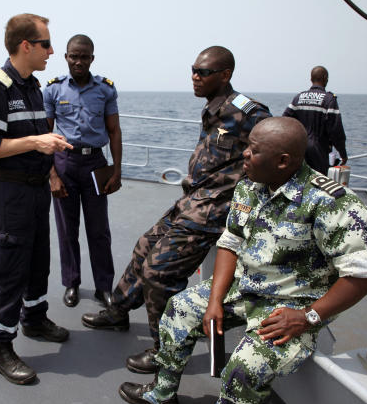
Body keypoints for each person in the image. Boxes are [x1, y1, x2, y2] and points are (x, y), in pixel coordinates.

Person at [118, 117, 367, 404]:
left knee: (244, 369)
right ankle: (162, 393)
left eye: (253, 151)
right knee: (179, 309)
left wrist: (307, 318)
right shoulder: (249, 187)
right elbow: (230, 243)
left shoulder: (331, 203)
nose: (244, 154)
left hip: (292, 306)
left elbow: (365, 274)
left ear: (282, 161)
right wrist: (215, 301)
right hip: (245, 288)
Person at [82, 46, 271, 375]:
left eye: (203, 72)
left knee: (159, 274)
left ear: (225, 75)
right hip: (193, 200)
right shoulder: (212, 108)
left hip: (215, 209)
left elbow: (278, 150)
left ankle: (163, 349)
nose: (195, 78)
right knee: (144, 245)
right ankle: (118, 311)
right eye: (193, 71)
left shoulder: (248, 112)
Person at [0, 13, 73, 385]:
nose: (52, 51)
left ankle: (34, 318)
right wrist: (35, 142)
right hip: (10, 191)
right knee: (10, 264)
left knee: (37, 257)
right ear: (26, 45)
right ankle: (0, 346)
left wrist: (51, 166)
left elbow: (36, 139)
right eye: (46, 44)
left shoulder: (33, 87)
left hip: (36, 187)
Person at [43, 34, 122, 308]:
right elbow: (45, 135)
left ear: (92, 58)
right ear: (66, 57)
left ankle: (104, 287)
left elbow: (114, 131)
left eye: (84, 56)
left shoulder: (106, 90)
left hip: (95, 164)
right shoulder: (53, 90)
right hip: (64, 163)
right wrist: (52, 175)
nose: (79, 61)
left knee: (99, 230)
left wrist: (117, 171)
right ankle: (72, 283)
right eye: (73, 56)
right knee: (67, 230)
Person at [283, 66, 347, 175]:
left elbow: (284, 122)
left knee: (299, 179)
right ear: (325, 78)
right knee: (317, 182)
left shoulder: (298, 97)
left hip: (299, 149)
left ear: (311, 79)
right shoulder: (329, 100)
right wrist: (343, 153)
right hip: (319, 150)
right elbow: (336, 130)